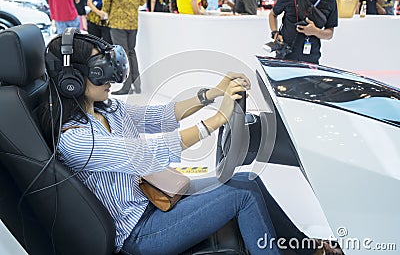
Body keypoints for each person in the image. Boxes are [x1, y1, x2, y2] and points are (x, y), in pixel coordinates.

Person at [40, 31, 345, 255]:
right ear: (72, 80)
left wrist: (213, 93)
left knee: (247, 181)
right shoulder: (75, 138)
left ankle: (309, 251)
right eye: (98, 71)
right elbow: (144, 153)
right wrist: (214, 121)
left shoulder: (108, 108)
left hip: (154, 203)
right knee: (242, 197)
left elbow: (161, 116)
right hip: (139, 235)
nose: (109, 77)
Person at [268, 0, 338, 64]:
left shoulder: (329, 1)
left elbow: (329, 34)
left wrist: (316, 32)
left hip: (311, 57)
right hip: (285, 55)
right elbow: (273, 14)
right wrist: (274, 33)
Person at [102, 0, 145, 95]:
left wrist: (105, 11)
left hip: (118, 20)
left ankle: (126, 86)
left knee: (123, 54)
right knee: (131, 51)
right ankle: (137, 84)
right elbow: (142, 1)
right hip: (132, 21)